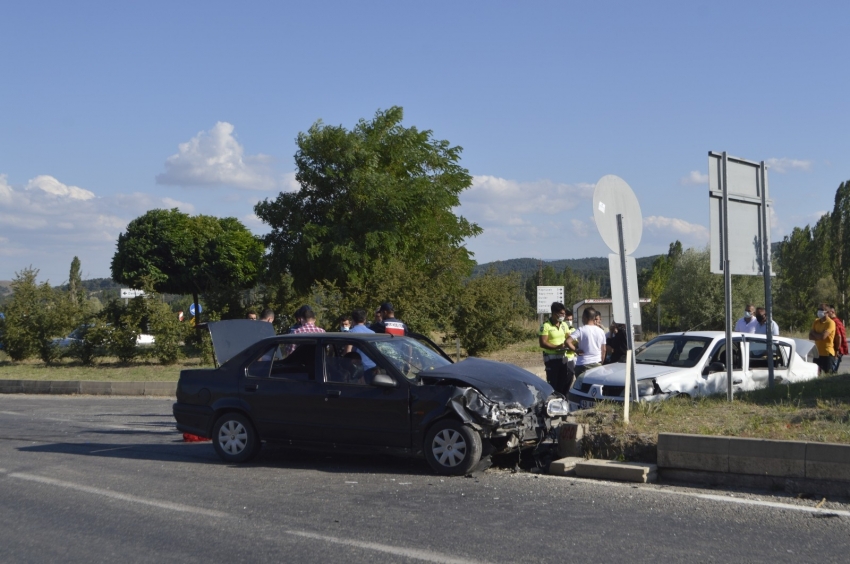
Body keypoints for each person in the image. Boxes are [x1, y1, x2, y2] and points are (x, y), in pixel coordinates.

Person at [538, 302, 577, 394]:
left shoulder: (564, 325)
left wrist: (574, 344)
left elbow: (568, 337)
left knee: (563, 382)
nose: (563, 316)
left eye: (564, 314)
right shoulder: (546, 326)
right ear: (554, 313)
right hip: (552, 359)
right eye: (561, 314)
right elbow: (543, 343)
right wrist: (557, 347)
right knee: (553, 384)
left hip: (563, 358)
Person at [571, 307, 609, 378]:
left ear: (584, 317)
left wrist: (576, 350)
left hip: (582, 364)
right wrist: (601, 362)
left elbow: (567, 341)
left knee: (581, 388)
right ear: (594, 317)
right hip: (596, 363)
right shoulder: (601, 331)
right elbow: (604, 350)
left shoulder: (581, 330)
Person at [348, 308, 377, 375]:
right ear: (364, 320)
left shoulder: (350, 333)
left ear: (352, 320)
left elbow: (348, 352)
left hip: (357, 369)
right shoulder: (372, 333)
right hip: (371, 367)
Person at [809, 303, 836, 374]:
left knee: (828, 375)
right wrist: (819, 335)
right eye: (819, 309)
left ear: (827, 312)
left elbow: (823, 337)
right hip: (817, 354)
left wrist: (814, 334)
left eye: (821, 310)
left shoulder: (830, 323)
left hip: (827, 354)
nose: (819, 311)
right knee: (816, 374)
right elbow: (810, 336)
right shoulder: (816, 321)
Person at [828, 307, 847, 373]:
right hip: (839, 348)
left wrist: (837, 350)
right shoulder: (838, 321)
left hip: (837, 349)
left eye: (828, 312)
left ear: (832, 312)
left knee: (832, 370)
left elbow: (839, 336)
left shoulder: (834, 322)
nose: (826, 314)